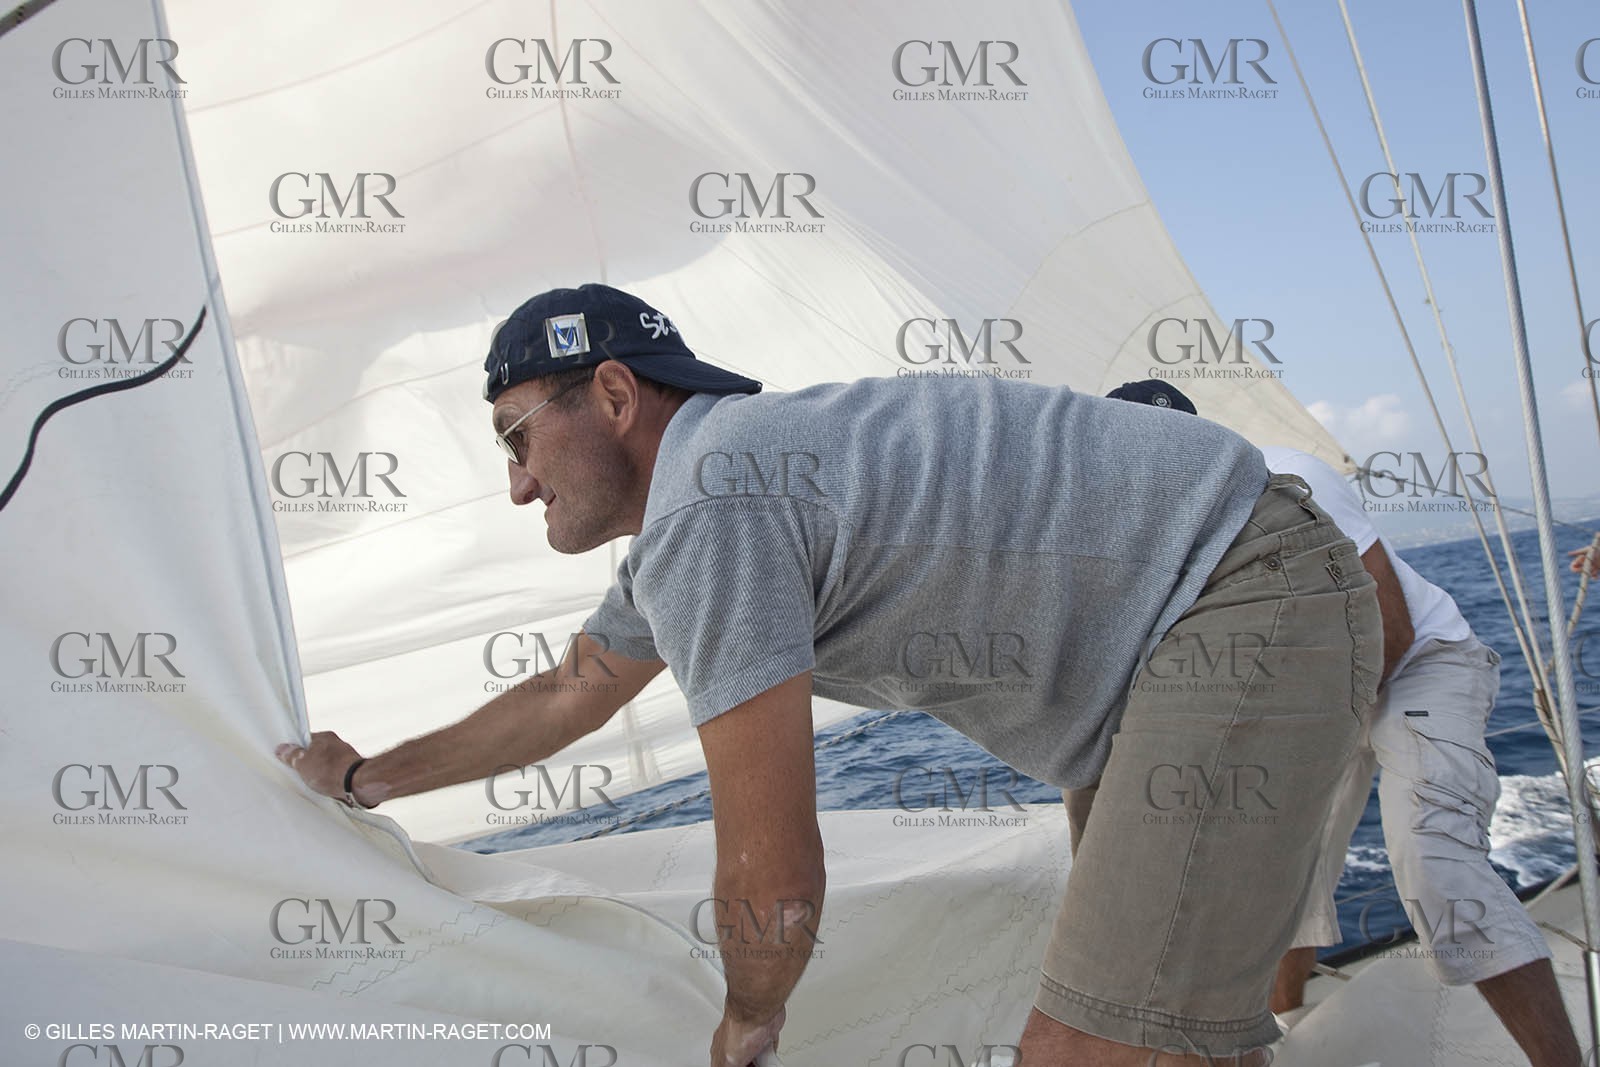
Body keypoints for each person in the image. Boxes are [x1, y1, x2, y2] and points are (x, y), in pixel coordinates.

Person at [278, 284, 1385, 1067]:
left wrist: (747, 1019)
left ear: (613, 394)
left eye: (516, 437)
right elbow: (570, 687)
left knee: (1086, 1044)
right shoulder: (714, 499)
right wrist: (369, 776)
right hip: (1172, 650)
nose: (517, 485)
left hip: (1239, 594)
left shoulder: (717, 506)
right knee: (1183, 1026)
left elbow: (774, 868)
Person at [1108, 379, 1581, 1067]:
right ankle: (1291, 1021)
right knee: (1271, 874)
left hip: (1421, 666)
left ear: (1204, 441)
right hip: (1317, 699)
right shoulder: (1159, 542)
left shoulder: (1287, 478)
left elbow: (1390, 622)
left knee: (1435, 862)